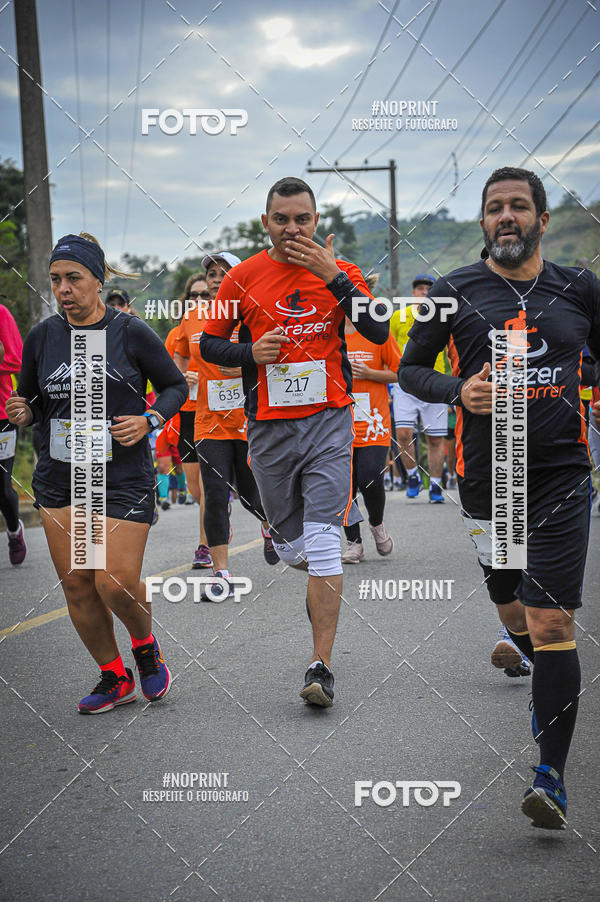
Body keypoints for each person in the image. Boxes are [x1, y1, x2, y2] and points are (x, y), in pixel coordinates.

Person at [398, 166, 600, 829]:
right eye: (494, 208)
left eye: (519, 206)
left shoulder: (579, 288)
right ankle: (514, 639)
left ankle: (550, 776)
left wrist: (574, 372)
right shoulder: (455, 291)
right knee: (511, 601)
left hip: (563, 476)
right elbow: (410, 369)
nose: (506, 216)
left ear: (541, 218)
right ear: (483, 222)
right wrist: (461, 391)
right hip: (493, 478)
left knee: (552, 622)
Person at [200, 176, 388, 706]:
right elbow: (210, 345)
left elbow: (378, 332)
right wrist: (250, 353)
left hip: (330, 420)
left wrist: (334, 278)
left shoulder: (341, 272)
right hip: (268, 428)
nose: (292, 229)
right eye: (281, 219)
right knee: (293, 548)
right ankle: (283, 542)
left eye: (301, 219)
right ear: (265, 223)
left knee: (326, 543)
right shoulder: (240, 277)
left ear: (316, 222)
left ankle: (320, 665)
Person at [6, 233, 187, 713]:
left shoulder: (130, 332)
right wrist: (22, 412)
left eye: (74, 278)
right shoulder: (43, 337)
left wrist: (150, 419)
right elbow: (30, 401)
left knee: (114, 580)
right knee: (78, 584)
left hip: (121, 476)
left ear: (98, 281)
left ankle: (146, 650)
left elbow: (174, 386)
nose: (64, 289)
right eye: (56, 280)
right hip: (60, 479)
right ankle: (113, 675)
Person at [174, 250, 278, 601]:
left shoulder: (254, 312)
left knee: (253, 492)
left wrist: (242, 364)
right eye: (213, 273)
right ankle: (221, 572)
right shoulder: (194, 318)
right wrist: (182, 377)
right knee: (214, 494)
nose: (217, 278)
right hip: (209, 421)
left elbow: (271, 356)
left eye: (225, 271)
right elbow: (181, 359)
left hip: (250, 418)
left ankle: (268, 525)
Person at [341, 313, 400, 562]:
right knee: (343, 487)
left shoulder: (377, 333)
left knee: (369, 478)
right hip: (338, 424)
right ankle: (354, 543)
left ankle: (377, 524)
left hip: (373, 422)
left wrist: (369, 373)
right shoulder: (326, 333)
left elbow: (401, 372)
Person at [390, 274, 448, 502]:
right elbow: (390, 348)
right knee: (403, 435)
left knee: (434, 438)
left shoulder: (444, 315)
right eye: (419, 288)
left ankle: (436, 484)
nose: (424, 292)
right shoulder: (397, 317)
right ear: (413, 293)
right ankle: (413, 476)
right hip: (405, 382)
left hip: (435, 381)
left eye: (428, 288)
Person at [0, 302, 26, 564]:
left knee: (2, 487)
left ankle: (14, 530)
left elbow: (15, 358)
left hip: (2, 415)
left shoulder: (1, 313)